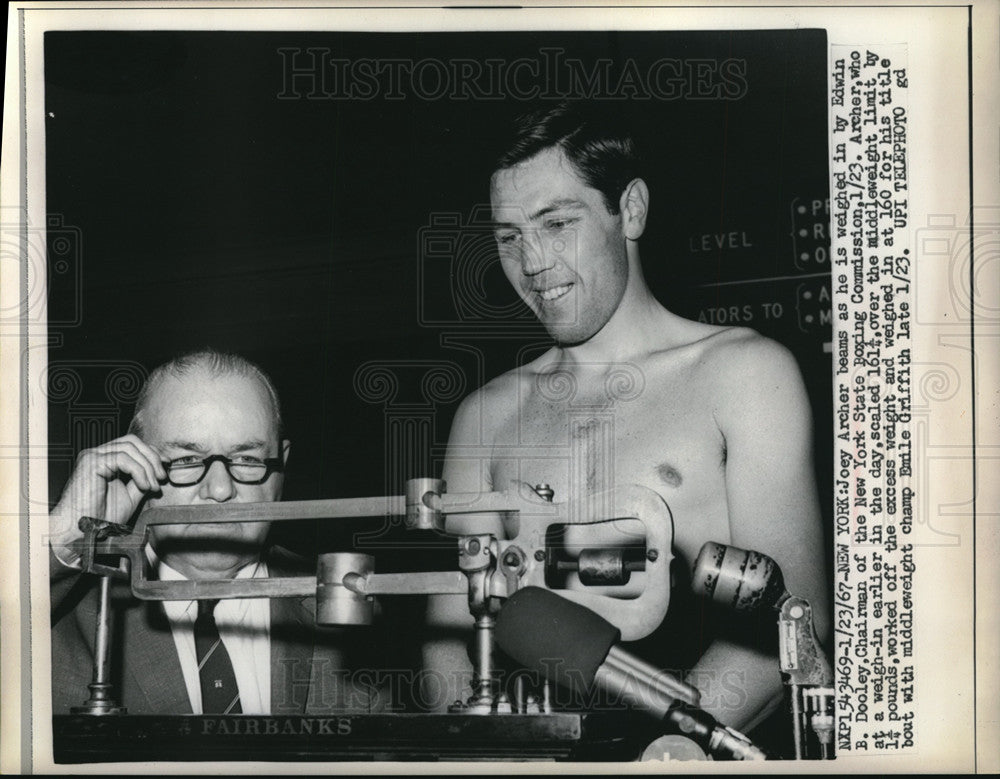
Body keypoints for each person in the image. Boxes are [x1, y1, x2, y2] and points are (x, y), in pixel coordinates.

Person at [423, 101, 830, 735]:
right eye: (509, 237)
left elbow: (795, 625)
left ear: (630, 210)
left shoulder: (744, 374)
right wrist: (475, 751)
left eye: (557, 223)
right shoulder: (484, 416)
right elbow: (449, 634)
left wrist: (653, 756)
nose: (532, 265)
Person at [50, 349, 379, 716]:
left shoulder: (349, 608)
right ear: (134, 463)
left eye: (247, 459)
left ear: (281, 468)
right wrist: (66, 538)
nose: (220, 489)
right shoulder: (62, 609)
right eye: (187, 459)